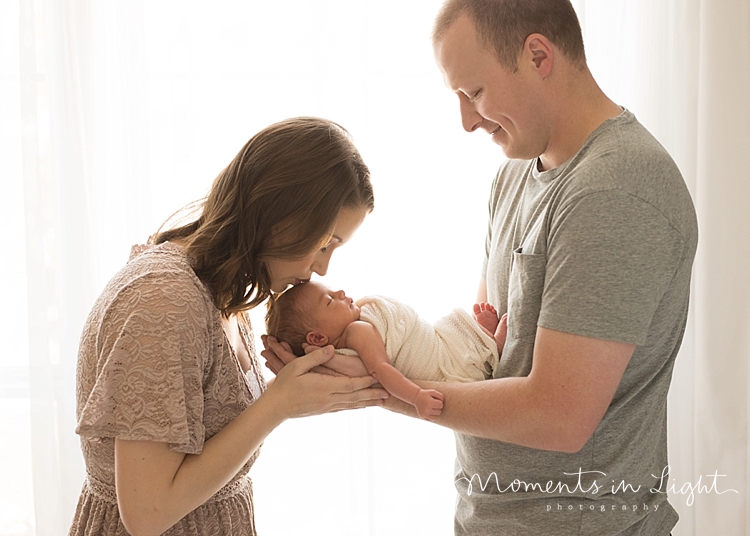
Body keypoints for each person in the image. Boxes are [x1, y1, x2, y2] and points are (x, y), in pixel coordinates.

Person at [264, 1, 697, 535]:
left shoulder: (616, 189)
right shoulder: (513, 176)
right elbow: (489, 354)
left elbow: (558, 416)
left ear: (538, 55)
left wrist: (376, 388)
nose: (467, 121)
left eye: (475, 93)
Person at [69, 117, 389, 536]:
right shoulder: (164, 301)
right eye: (324, 243)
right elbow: (147, 514)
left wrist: (288, 392)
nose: (321, 268)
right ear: (279, 215)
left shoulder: (218, 290)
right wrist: (277, 406)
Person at [264, 281, 508, 418]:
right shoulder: (359, 331)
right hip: (439, 358)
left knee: (447, 332)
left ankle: (480, 338)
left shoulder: (338, 355)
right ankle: (491, 346)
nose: (339, 292)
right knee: (452, 351)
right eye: (329, 300)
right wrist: (415, 397)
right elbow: (381, 370)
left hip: (431, 338)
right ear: (317, 337)